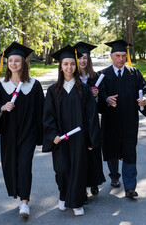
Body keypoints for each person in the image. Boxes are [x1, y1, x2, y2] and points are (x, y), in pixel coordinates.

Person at [42, 45, 101, 216]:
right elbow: (48, 116)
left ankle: (76, 202)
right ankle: (63, 195)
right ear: (60, 66)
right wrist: (52, 135)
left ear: (76, 66)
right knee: (62, 170)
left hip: (79, 139)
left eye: (72, 64)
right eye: (66, 64)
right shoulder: (53, 90)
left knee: (78, 169)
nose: (69, 67)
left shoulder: (84, 90)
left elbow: (91, 117)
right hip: (60, 139)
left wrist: (91, 140)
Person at [0, 42, 44, 217]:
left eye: (17, 60)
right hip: (9, 134)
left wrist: (42, 136)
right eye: (10, 60)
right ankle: (19, 195)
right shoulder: (0, 86)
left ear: (23, 63)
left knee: (25, 164)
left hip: (29, 132)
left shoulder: (34, 85)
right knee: (11, 165)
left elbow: (42, 111)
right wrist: (2, 108)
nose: (13, 63)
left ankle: (24, 201)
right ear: (7, 63)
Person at [99, 39, 146, 199]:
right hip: (110, 120)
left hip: (129, 121)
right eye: (117, 55)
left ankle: (130, 187)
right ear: (111, 56)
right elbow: (98, 96)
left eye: (123, 55)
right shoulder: (103, 75)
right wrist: (106, 99)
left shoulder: (134, 73)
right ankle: (114, 176)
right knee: (111, 149)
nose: (121, 59)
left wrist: (145, 100)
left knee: (129, 152)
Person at [73, 42, 106, 196]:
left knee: (93, 152)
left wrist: (97, 97)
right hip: (77, 121)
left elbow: (103, 103)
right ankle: (82, 184)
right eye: (79, 58)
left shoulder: (96, 77)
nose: (83, 61)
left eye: (85, 58)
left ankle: (93, 183)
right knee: (81, 154)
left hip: (92, 121)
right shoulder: (72, 78)